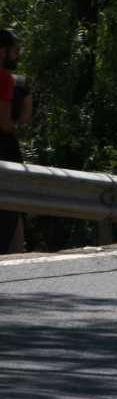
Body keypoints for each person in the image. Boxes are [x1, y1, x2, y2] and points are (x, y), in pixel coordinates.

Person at [0, 28, 33, 253]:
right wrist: (14, 127)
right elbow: (7, 123)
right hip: (5, 150)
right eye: (15, 50)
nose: (17, 55)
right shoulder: (9, 81)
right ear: (3, 51)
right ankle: (16, 252)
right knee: (13, 202)